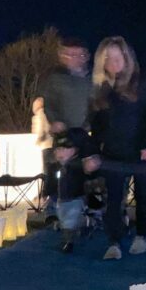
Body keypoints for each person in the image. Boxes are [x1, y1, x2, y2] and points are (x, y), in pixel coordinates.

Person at [88, 36, 146, 260]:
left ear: (126, 57)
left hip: (141, 151)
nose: (113, 62)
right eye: (107, 58)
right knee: (114, 199)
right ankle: (114, 241)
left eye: (117, 57)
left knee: (144, 195)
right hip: (113, 152)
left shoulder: (143, 81)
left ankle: (141, 235)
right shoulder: (101, 89)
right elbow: (97, 124)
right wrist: (95, 152)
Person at [39, 37, 93, 209]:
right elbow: (49, 103)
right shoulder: (55, 79)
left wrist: (92, 122)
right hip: (64, 134)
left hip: (87, 134)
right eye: (68, 54)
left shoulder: (94, 79)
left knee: (88, 172)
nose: (73, 58)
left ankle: (90, 209)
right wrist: (54, 121)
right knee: (60, 171)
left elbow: (99, 104)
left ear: (86, 56)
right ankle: (54, 209)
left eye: (78, 54)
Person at [52, 128, 96, 253]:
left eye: (65, 149)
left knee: (70, 220)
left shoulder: (77, 165)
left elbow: (87, 179)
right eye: (58, 149)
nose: (60, 152)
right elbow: (52, 181)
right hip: (62, 199)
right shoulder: (57, 167)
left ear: (75, 151)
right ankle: (85, 224)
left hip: (76, 197)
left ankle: (68, 242)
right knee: (64, 217)